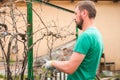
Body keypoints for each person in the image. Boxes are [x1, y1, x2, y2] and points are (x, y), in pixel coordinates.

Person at [43, 1, 104, 80]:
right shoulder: (97, 34)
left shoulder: (86, 36)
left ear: (84, 13)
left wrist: (52, 63)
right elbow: (76, 63)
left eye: (75, 13)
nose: (73, 17)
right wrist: (55, 64)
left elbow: (70, 68)